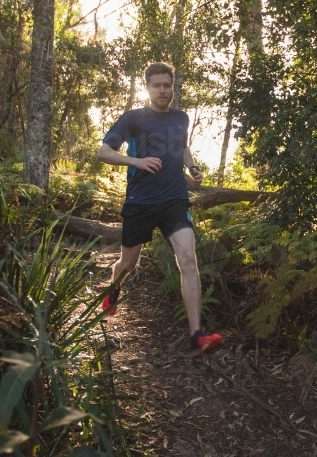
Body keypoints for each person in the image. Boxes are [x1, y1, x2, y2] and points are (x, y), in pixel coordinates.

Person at [95, 62, 224, 356]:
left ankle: (197, 335)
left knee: (188, 259)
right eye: (157, 85)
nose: (163, 90)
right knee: (127, 264)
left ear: (173, 87)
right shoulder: (134, 119)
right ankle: (113, 288)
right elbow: (103, 152)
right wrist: (137, 162)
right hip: (140, 202)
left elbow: (182, 146)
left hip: (174, 200)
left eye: (168, 85)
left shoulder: (181, 117)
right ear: (148, 87)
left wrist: (192, 166)